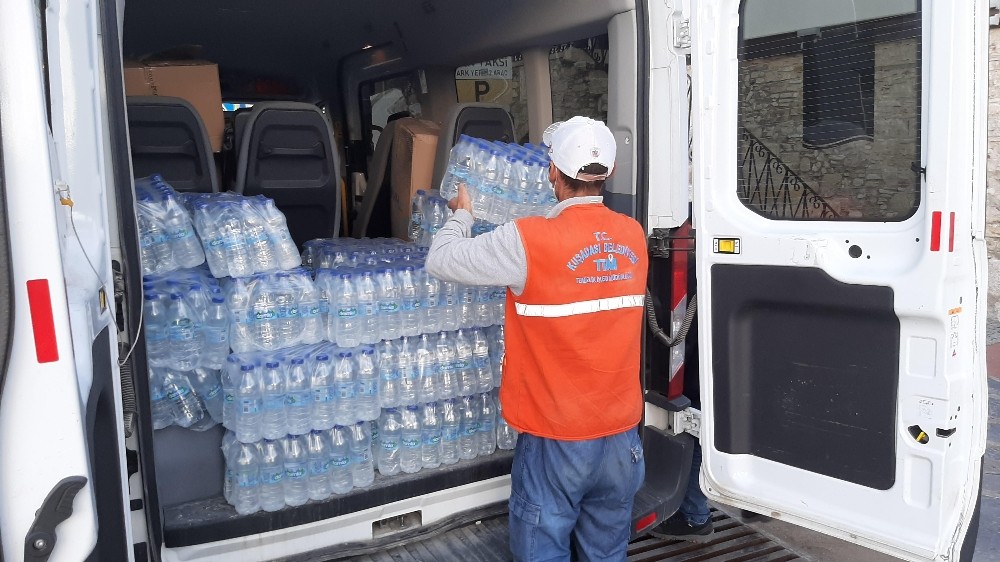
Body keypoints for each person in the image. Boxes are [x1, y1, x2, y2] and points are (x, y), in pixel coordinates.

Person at [425, 116, 649, 561]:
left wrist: (462, 215)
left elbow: (442, 260)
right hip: (622, 437)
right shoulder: (634, 235)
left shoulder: (528, 241)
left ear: (551, 172)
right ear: (611, 173)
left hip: (556, 438)